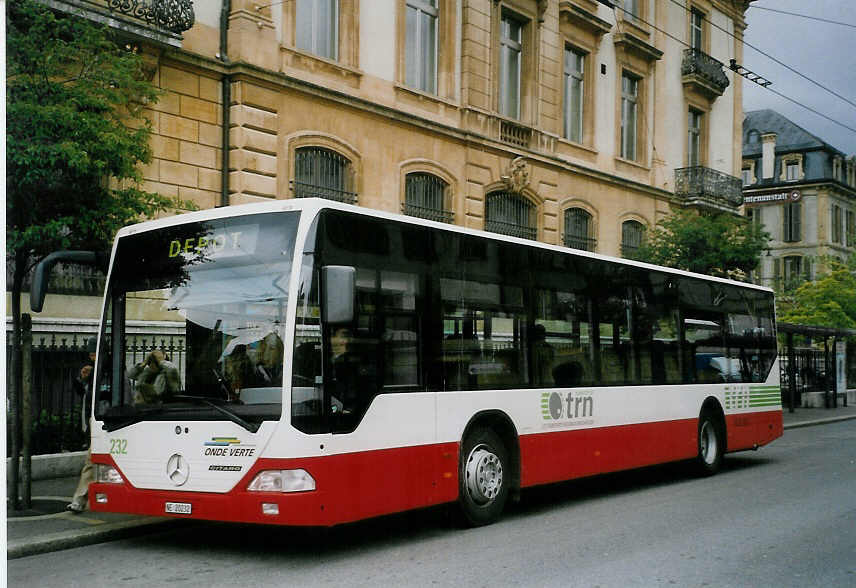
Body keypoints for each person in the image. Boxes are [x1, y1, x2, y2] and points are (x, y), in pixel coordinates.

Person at [67, 337, 96, 513]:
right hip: (92, 421)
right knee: (93, 462)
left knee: (91, 462)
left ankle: (80, 499)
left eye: (94, 351)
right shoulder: (89, 369)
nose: (91, 355)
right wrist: (82, 378)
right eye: (90, 352)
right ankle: (83, 498)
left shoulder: (107, 368)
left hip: (105, 421)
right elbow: (82, 392)